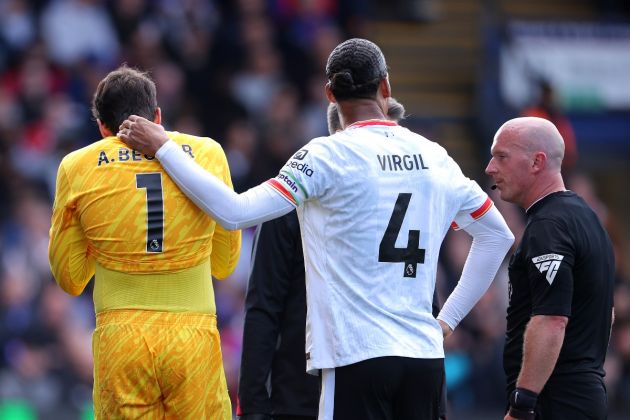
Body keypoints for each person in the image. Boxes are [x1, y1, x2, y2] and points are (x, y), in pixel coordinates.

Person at [119, 38, 514, 420]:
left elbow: (234, 212)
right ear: (385, 86)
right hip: (424, 361)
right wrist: (445, 321)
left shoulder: (327, 155)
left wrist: (164, 146)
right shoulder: (435, 156)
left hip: (356, 357)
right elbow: (498, 237)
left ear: (329, 94)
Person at [237, 98, 454, 420]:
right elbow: (264, 306)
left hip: (360, 384)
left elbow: (426, 299)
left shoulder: (408, 200)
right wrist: (253, 404)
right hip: (312, 393)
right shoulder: (291, 200)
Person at [48, 66, 241, 419]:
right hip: (192, 336)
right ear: (157, 116)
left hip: (121, 339)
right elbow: (225, 264)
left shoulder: (76, 167)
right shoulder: (208, 154)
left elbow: (69, 278)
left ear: (103, 128)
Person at [485, 117, 615, 420]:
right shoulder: (589, 219)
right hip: (583, 395)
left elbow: (552, 319)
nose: (490, 168)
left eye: (501, 156)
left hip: (554, 401)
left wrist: (523, 405)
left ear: (536, 162)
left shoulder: (549, 226)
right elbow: (605, 313)